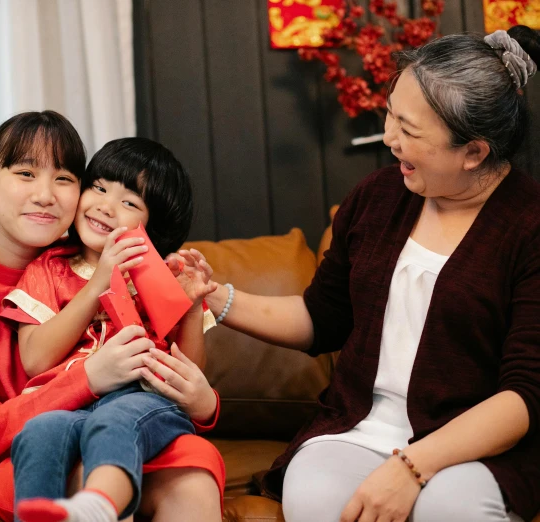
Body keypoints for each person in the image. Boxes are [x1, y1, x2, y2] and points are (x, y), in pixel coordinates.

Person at [197, 26, 540, 522]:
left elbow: (523, 396)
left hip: (478, 447)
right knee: (316, 500)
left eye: (410, 130)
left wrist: (411, 468)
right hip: (360, 429)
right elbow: (321, 318)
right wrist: (215, 297)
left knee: (450, 508)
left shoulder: (529, 228)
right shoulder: (378, 198)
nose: (389, 138)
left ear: (474, 153)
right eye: (391, 115)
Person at [0, 112, 225, 522]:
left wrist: (204, 403)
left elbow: (174, 366)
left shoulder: (119, 263)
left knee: (194, 464)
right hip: (21, 458)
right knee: (91, 462)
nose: (45, 195)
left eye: (63, 179)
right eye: (25, 173)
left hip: (125, 428)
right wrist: (89, 377)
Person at [0, 137, 220, 522]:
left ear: (153, 226)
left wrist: (190, 308)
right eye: (98, 188)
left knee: (114, 418)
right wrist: (99, 282)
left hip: (146, 403)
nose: (105, 205)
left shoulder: (160, 276)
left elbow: (190, 375)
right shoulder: (46, 270)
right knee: (39, 431)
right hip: (66, 404)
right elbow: (35, 360)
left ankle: (99, 505)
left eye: (129, 202)